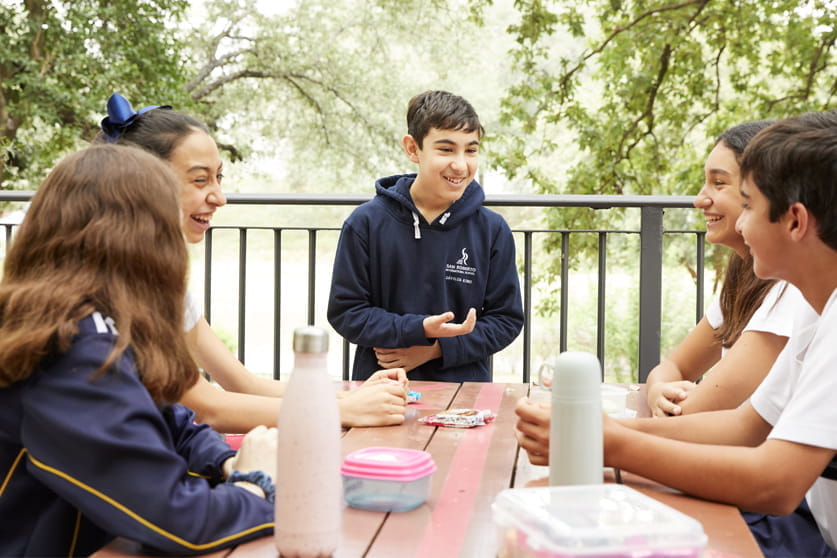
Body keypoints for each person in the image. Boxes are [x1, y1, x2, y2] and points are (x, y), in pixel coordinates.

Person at [515, 110, 837, 557]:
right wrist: (598, 428)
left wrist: (606, 442)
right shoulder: (817, 309)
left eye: (749, 205)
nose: (741, 224)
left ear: (796, 221)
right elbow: (743, 426)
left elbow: (776, 482)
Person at [0, 145, 276, 555]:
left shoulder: (81, 322)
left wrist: (224, 462)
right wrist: (255, 485)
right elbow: (180, 520)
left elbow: (166, 415)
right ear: (144, 241)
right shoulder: (73, 351)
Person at [98, 93, 407, 433]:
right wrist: (341, 411)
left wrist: (351, 396)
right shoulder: (110, 279)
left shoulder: (162, 276)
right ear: (142, 183)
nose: (219, 197)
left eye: (219, 177)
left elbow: (242, 383)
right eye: (200, 180)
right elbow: (205, 408)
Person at [327, 90, 524, 382]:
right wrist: (417, 329)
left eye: (471, 150)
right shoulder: (365, 223)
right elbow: (346, 312)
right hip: (381, 386)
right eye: (446, 149)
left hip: (464, 392)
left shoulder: (492, 230)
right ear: (412, 148)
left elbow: (506, 320)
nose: (460, 164)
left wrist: (436, 349)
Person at [645, 121, 815, 417]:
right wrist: (659, 390)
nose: (700, 199)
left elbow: (696, 414)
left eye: (719, 183)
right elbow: (676, 367)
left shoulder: (792, 288)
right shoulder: (744, 273)